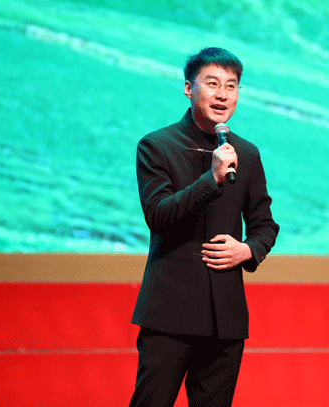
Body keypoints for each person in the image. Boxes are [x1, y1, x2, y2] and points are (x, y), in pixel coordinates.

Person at [129, 47, 279, 407]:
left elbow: (265, 224)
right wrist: (211, 179)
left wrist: (247, 250)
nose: (222, 94)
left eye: (231, 86)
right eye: (212, 83)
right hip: (170, 312)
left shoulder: (246, 153)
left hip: (225, 316)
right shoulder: (157, 146)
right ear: (188, 88)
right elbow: (158, 215)